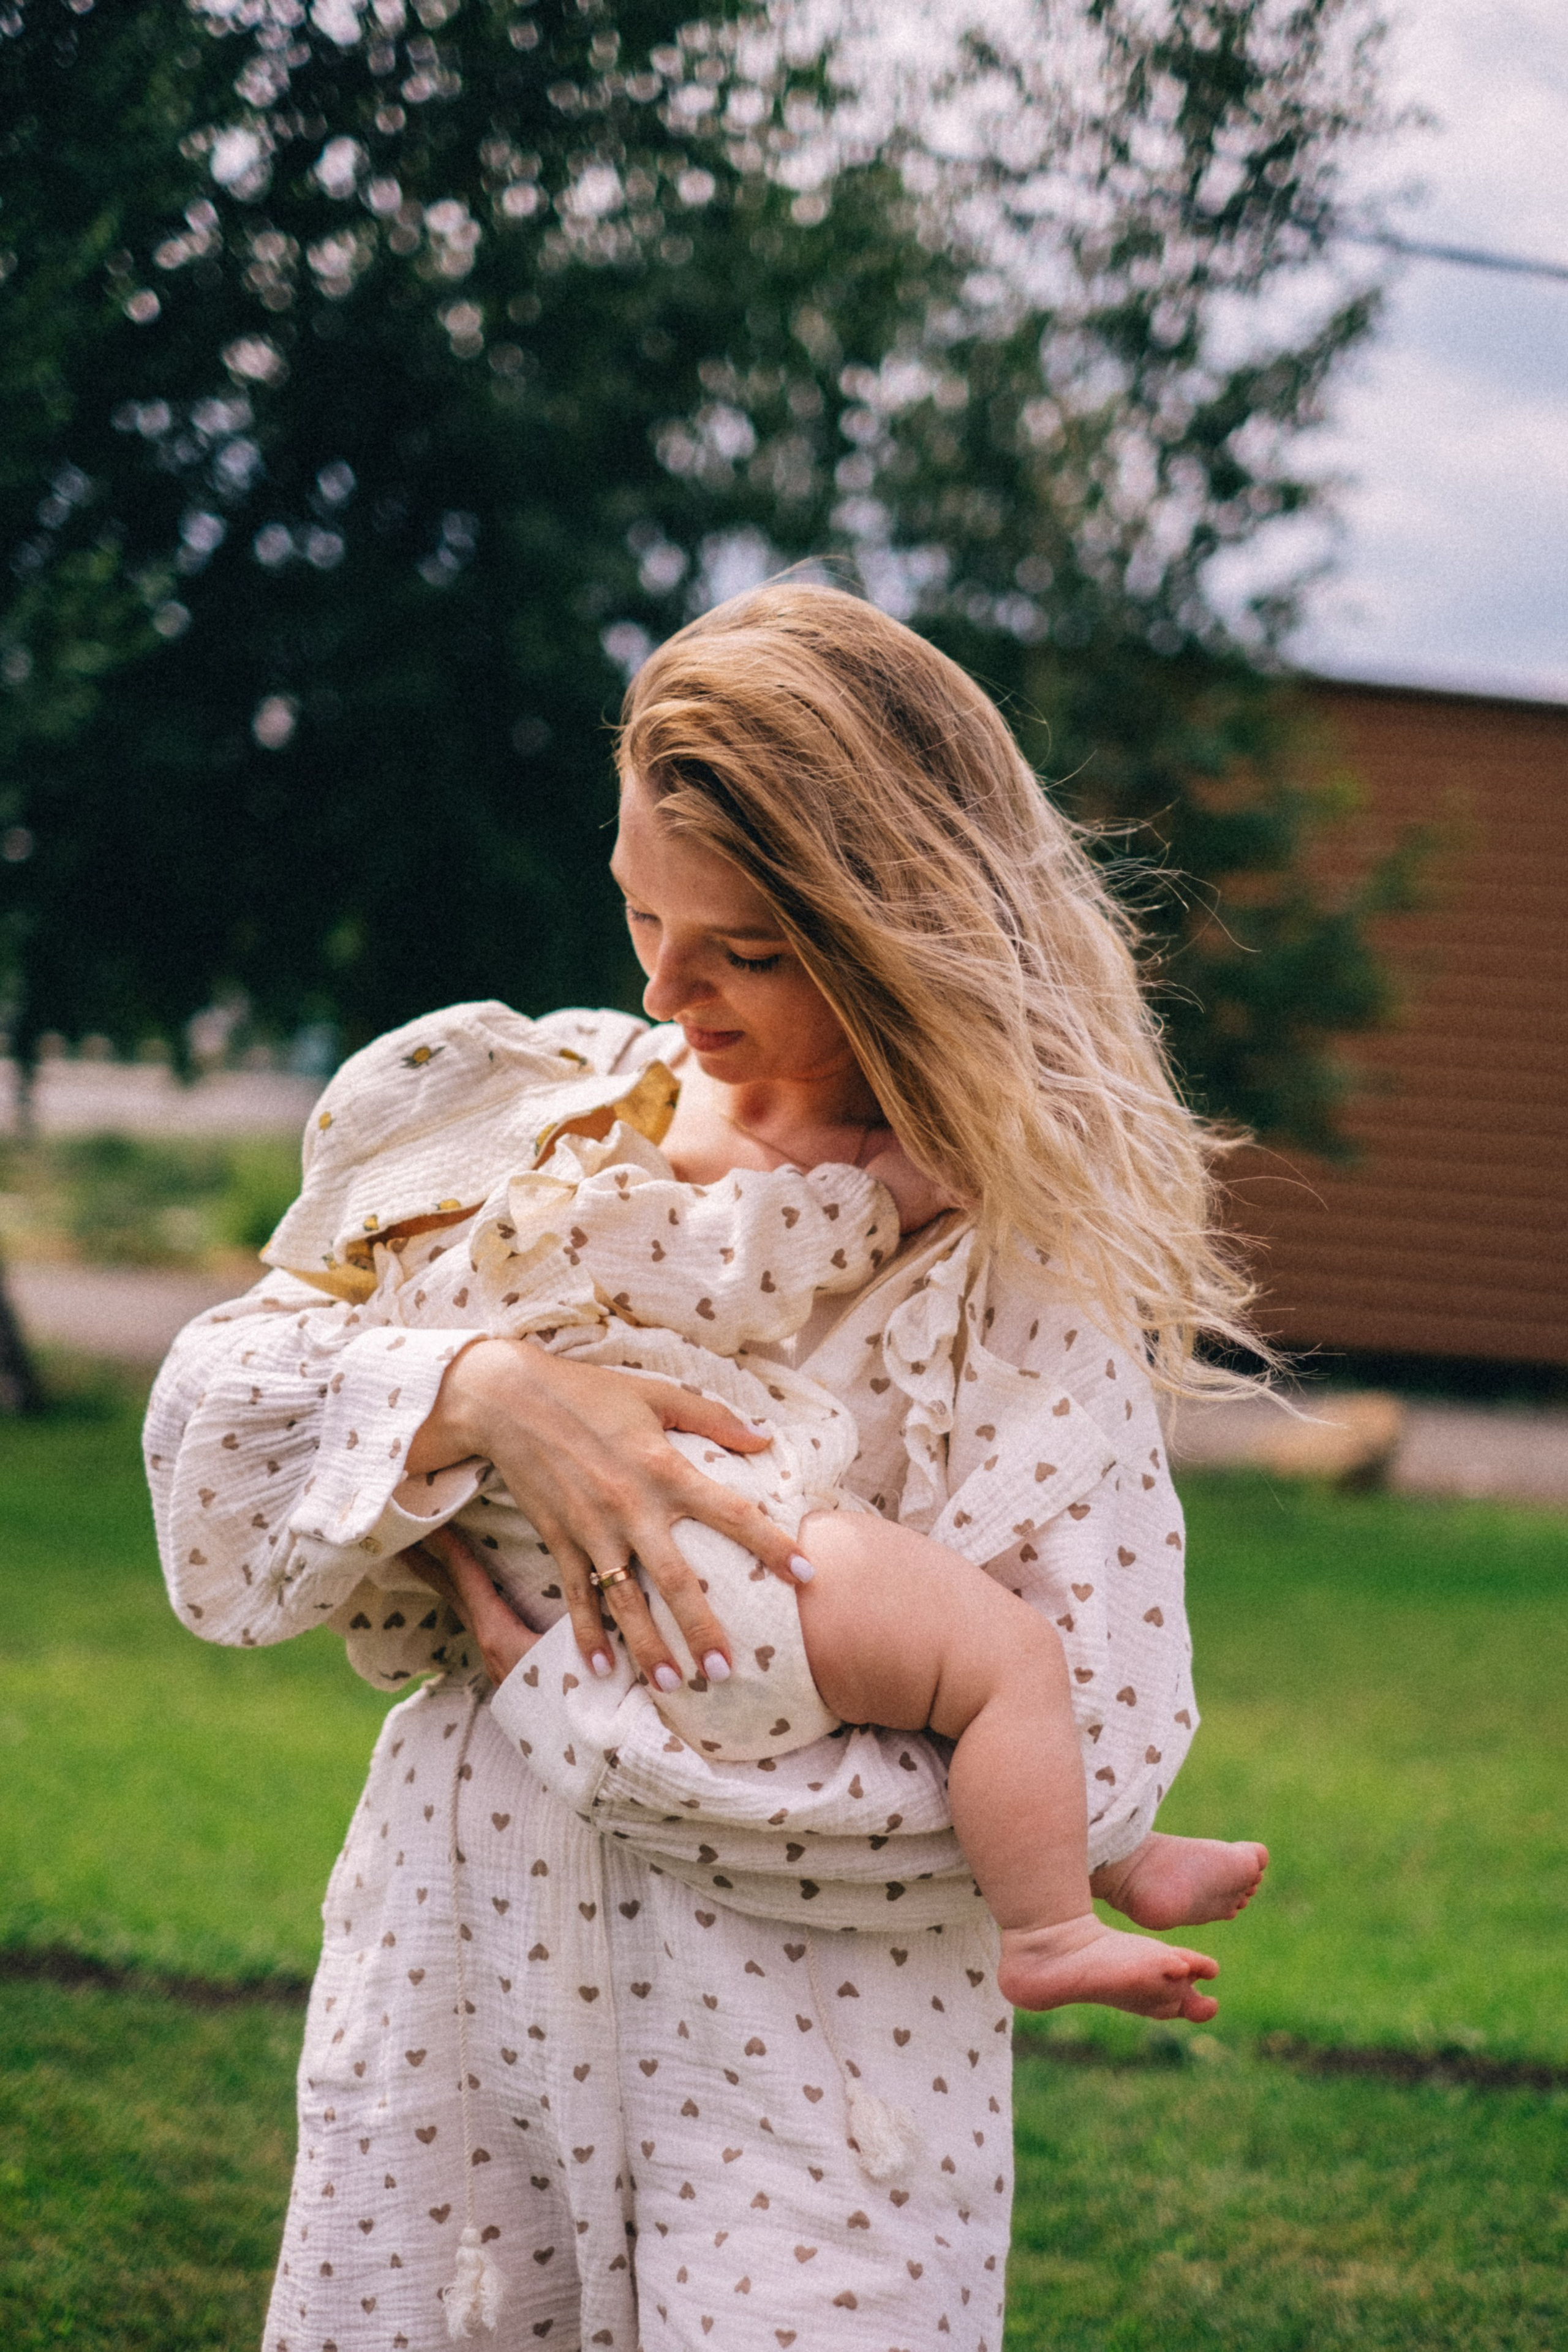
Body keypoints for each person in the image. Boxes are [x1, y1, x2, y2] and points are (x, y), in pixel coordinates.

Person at [146, 582, 1268, 2352]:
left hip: (819, 2075)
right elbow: (221, 1426)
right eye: (637, 913)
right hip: (463, 1995)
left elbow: (1077, 1753)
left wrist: (560, 1711)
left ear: (896, 936)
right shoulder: (533, 1119)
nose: (662, 990)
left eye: (739, 949)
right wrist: (490, 1390)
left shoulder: (1008, 1274)